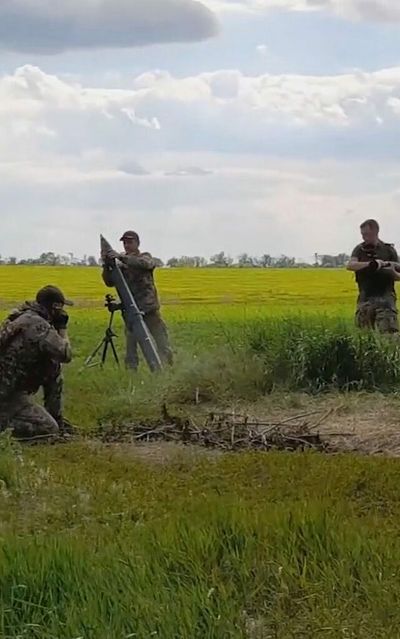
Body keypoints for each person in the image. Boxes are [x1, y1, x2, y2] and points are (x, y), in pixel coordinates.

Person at [0, 286, 73, 440]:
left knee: (53, 366)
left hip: (9, 390)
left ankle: (56, 418)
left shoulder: (21, 318)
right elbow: (65, 354)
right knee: (48, 429)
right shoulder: (38, 325)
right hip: (8, 395)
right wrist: (62, 328)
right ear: (55, 307)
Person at [101, 230, 173, 369]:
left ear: (137, 243)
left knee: (162, 344)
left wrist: (120, 257)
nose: (127, 245)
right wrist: (106, 265)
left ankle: (167, 371)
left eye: (130, 242)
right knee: (131, 350)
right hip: (131, 314)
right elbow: (109, 282)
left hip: (149, 311)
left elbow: (145, 264)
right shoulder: (120, 265)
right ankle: (131, 375)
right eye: (124, 243)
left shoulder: (144, 257)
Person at [347, 219, 400, 333]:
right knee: (364, 335)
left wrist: (390, 270)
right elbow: (351, 265)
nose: (364, 237)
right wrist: (371, 264)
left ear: (375, 231)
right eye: (362, 234)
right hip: (365, 298)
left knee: (389, 335)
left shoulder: (388, 250)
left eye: (366, 234)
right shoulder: (360, 250)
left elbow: (398, 274)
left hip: (386, 299)